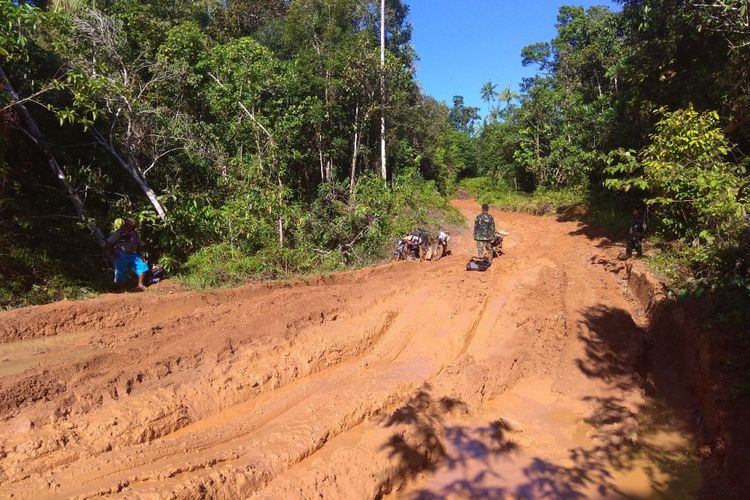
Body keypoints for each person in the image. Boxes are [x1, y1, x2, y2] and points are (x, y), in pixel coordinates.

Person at [106, 217, 149, 290]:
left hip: (133, 254)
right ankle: (122, 288)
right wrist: (112, 252)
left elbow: (138, 244)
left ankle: (140, 285)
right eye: (133, 225)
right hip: (121, 254)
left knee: (142, 266)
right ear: (128, 225)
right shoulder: (119, 233)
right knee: (121, 272)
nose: (135, 227)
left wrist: (141, 255)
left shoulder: (134, 233)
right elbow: (108, 243)